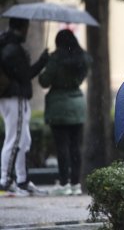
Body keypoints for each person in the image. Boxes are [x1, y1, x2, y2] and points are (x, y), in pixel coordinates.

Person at [0, 17, 49, 196]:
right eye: (27, 26)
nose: (28, 31)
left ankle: (22, 180)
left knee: (23, 140)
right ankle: (5, 180)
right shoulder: (13, 49)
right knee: (14, 139)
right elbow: (25, 75)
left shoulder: (7, 44)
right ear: (23, 27)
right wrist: (42, 61)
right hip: (16, 98)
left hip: (11, 98)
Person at [39, 29, 91, 196]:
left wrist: (44, 61)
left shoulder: (56, 59)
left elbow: (44, 81)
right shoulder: (82, 58)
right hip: (77, 105)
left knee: (62, 147)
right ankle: (76, 183)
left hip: (59, 106)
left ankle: (63, 183)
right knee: (75, 147)